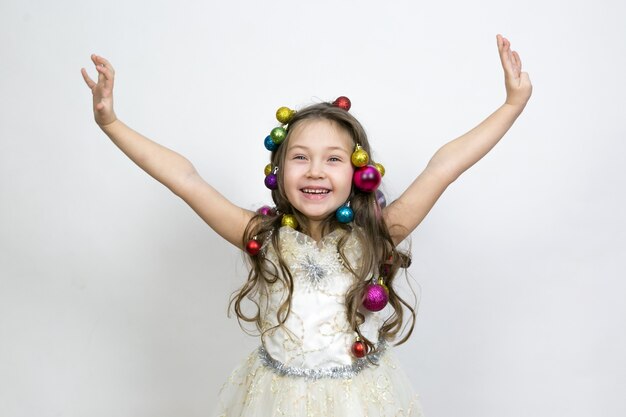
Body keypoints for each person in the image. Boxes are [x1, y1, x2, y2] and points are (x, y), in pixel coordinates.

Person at [81, 34, 531, 416]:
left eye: (333, 159)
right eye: (301, 157)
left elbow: (442, 168)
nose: (316, 171)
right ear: (279, 170)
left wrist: (511, 105)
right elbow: (185, 178)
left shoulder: (378, 233)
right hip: (276, 400)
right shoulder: (262, 237)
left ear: (356, 171)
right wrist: (111, 123)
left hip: (359, 403)